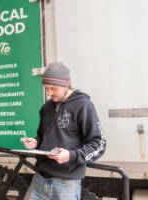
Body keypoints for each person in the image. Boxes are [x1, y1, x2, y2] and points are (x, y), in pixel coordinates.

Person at [20, 62, 106, 200]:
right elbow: (42, 135)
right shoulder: (46, 108)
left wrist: (71, 156)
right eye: (46, 88)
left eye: (53, 88)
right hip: (40, 179)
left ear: (66, 85)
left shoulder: (83, 105)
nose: (49, 93)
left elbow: (99, 144)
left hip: (66, 185)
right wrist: (35, 142)